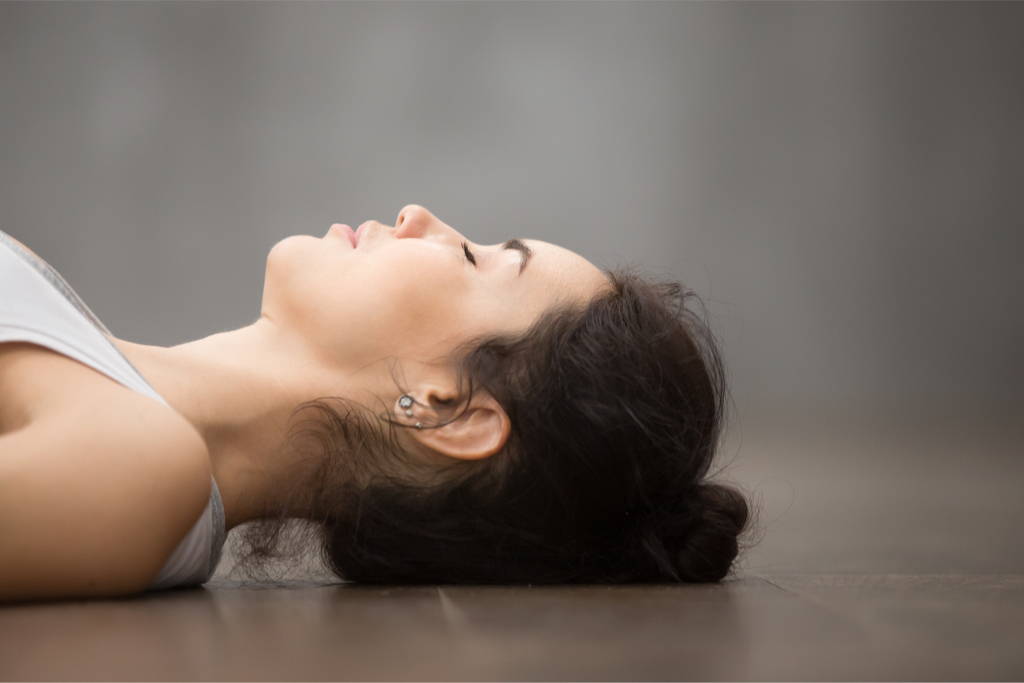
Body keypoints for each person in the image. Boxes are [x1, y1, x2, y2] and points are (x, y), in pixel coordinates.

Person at [0, 205, 749, 600]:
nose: (417, 213)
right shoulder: (95, 370)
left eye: (471, 256)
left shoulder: (139, 467)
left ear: (452, 408)